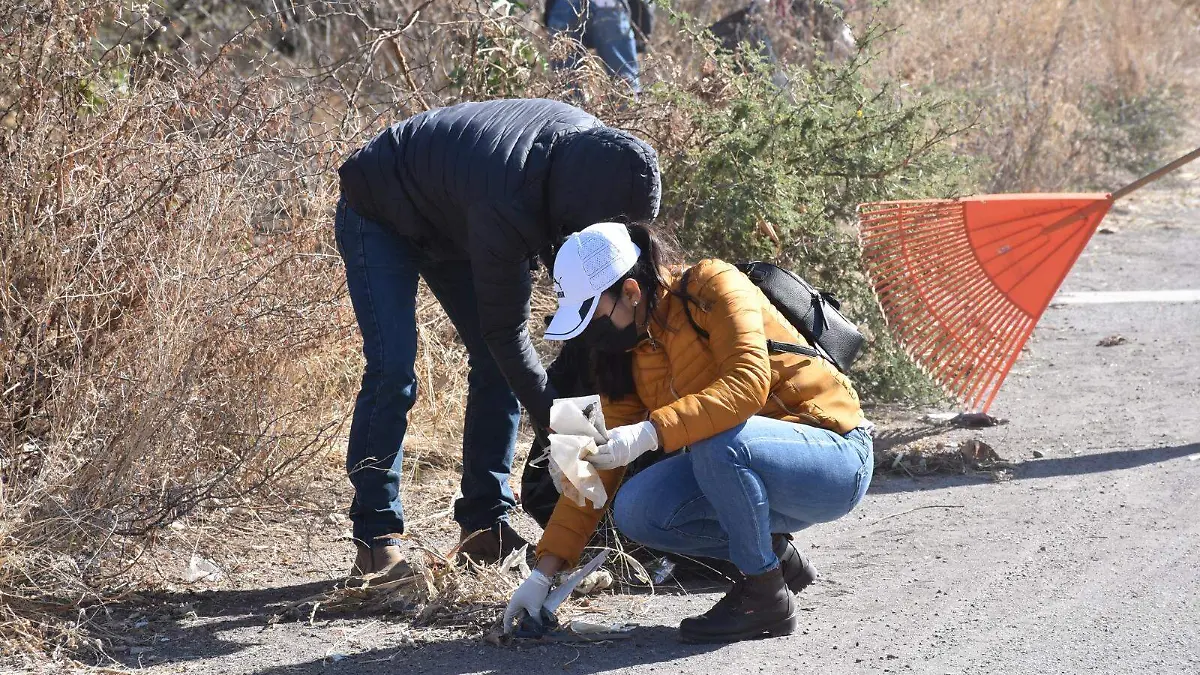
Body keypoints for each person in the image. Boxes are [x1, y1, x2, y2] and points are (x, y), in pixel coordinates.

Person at [335, 99, 660, 578]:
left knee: (496, 369)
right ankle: (375, 539)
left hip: (453, 210)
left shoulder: (599, 160)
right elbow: (505, 334)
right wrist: (568, 431)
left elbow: (582, 324)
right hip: (381, 209)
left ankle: (484, 528)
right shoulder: (512, 202)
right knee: (394, 370)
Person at [504, 222, 874, 642]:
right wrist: (543, 571)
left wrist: (649, 432)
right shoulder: (630, 350)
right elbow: (591, 465)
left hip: (834, 454)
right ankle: (775, 559)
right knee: (636, 510)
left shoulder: (712, 284)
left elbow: (746, 385)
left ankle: (764, 595)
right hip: (742, 460)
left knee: (717, 438)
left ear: (630, 291)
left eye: (595, 317)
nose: (593, 335)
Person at [544, 0, 648, 94]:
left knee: (568, 84)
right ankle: (630, 112)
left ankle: (571, 112)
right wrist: (643, 35)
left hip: (564, 6)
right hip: (609, 6)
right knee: (625, 84)